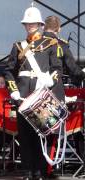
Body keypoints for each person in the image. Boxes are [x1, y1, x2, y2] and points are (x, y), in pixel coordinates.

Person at [5, 6, 64, 180]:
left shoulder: (51, 44)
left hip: (41, 96)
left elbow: (57, 68)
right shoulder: (18, 46)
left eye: (33, 23)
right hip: (22, 97)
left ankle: (39, 171)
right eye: (27, 23)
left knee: (41, 135)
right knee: (25, 137)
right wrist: (13, 90)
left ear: (39, 25)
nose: (30, 26)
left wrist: (50, 80)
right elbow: (9, 72)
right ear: (24, 25)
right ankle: (27, 171)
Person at [43, 15, 85, 177]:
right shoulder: (61, 44)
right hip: (53, 92)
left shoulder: (33, 43)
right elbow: (72, 69)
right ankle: (47, 169)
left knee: (35, 132)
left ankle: (32, 169)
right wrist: (81, 75)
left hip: (34, 92)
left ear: (43, 27)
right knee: (51, 133)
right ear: (59, 29)